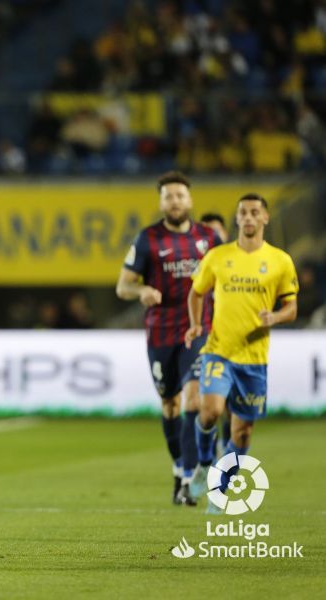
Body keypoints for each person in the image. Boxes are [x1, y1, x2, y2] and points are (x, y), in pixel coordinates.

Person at [186, 193, 298, 513]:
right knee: (208, 411)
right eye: (243, 213)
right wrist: (196, 324)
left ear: (264, 218)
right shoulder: (218, 257)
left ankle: (220, 491)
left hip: (254, 359)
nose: (248, 218)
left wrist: (274, 317)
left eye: (254, 213)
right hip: (219, 351)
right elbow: (196, 293)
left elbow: (291, 307)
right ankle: (205, 464)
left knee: (242, 431)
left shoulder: (280, 261)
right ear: (236, 219)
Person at [115, 171, 220, 506]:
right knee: (170, 404)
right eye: (168, 196)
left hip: (198, 330)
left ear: (190, 200)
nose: (175, 201)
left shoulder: (209, 238)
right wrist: (142, 289)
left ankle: (190, 479)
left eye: (180, 195)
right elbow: (122, 286)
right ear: (161, 202)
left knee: (193, 400)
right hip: (160, 332)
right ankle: (178, 468)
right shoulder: (147, 239)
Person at [200, 212, 231, 454]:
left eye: (216, 232)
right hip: (204, 342)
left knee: (231, 404)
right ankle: (208, 454)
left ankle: (227, 450)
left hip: (231, 340)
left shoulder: (235, 266)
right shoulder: (197, 272)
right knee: (209, 404)